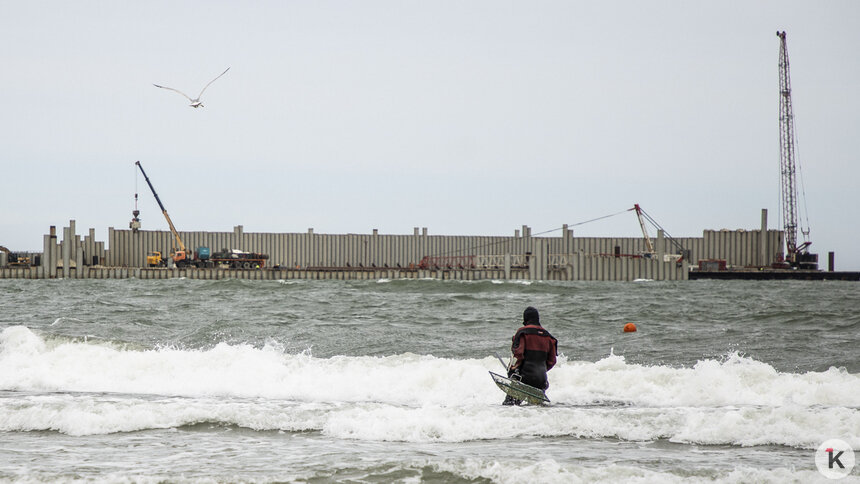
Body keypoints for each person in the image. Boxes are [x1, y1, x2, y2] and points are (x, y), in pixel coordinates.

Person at [503, 306, 558, 405]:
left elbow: (517, 355)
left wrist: (512, 370)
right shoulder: (549, 337)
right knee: (536, 410)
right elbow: (552, 361)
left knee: (509, 406)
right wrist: (539, 372)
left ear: (525, 319)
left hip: (524, 379)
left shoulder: (522, 332)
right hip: (541, 380)